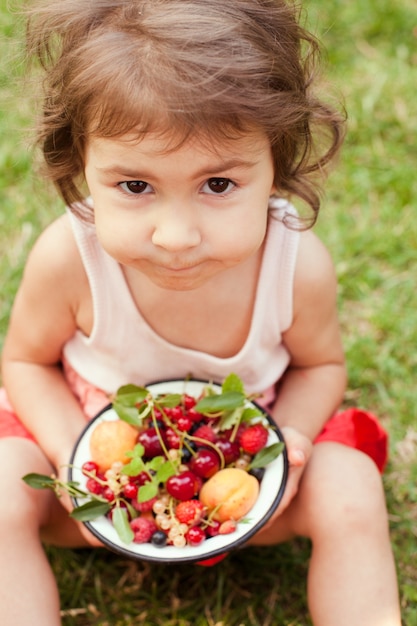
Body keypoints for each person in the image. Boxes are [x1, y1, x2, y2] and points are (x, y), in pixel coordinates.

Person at [0, 0, 401, 624]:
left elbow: (320, 366)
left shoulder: (296, 264)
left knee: (349, 483)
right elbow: (25, 361)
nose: (177, 235)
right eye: (135, 186)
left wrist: (289, 441)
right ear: (81, 166)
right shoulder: (70, 259)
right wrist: (73, 461)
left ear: (276, 165)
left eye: (218, 185)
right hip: (90, 494)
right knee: (1, 485)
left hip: (242, 476)